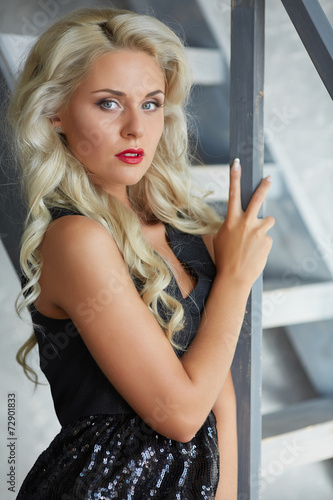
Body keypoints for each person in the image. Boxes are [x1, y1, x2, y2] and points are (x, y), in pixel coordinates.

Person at [6, 7, 274, 499]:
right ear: (55, 113)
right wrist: (234, 280)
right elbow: (181, 415)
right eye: (109, 104)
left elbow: (221, 399)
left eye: (151, 104)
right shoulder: (75, 239)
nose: (136, 128)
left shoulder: (181, 233)